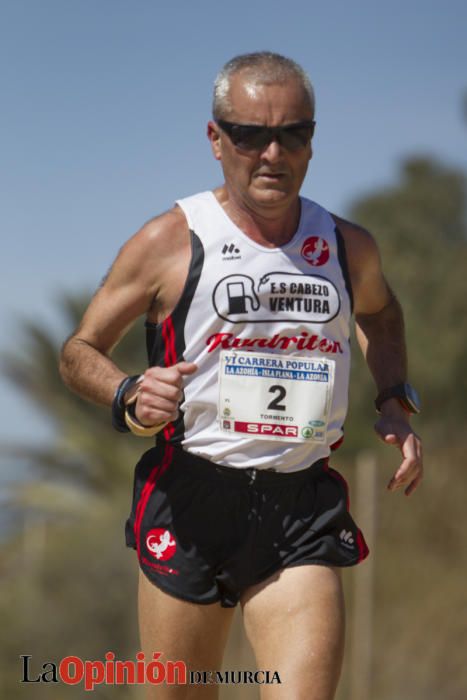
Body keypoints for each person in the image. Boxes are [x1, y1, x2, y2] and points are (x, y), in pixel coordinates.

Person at [60, 51, 423, 700]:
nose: (272, 153)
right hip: (191, 495)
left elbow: (383, 316)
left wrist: (395, 399)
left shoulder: (345, 245)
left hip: (300, 505)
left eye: (293, 133)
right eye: (250, 135)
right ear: (215, 139)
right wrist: (127, 393)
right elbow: (79, 349)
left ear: (312, 140)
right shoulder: (170, 240)